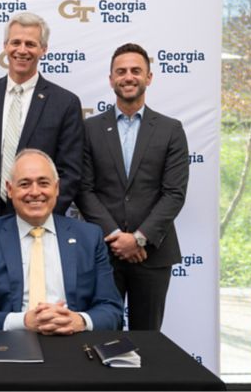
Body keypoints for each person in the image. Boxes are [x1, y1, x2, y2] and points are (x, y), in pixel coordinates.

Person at [76, 43, 189, 331]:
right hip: (104, 253)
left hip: (153, 254)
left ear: (148, 77)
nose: (128, 77)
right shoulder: (89, 129)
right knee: (102, 338)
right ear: (111, 79)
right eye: (121, 71)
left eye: (136, 71)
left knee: (148, 339)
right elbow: (84, 190)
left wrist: (139, 239)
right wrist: (117, 237)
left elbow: (174, 193)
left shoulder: (171, 130)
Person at [0, 149, 122, 333]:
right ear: (9, 189)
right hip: (12, 342)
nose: (35, 192)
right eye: (25, 184)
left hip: (74, 340)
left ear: (56, 188)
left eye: (43, 183)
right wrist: (25, 321)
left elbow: (112, 310)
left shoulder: (89, 236)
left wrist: (79, 320)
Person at [0, 12, 84, 229]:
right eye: (16, 42)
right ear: (5, 46)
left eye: (31, 44)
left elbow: (69, 172)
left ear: (43, 49)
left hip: (39, 227)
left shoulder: (65, 103)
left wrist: (38, 217)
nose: (22, 50)